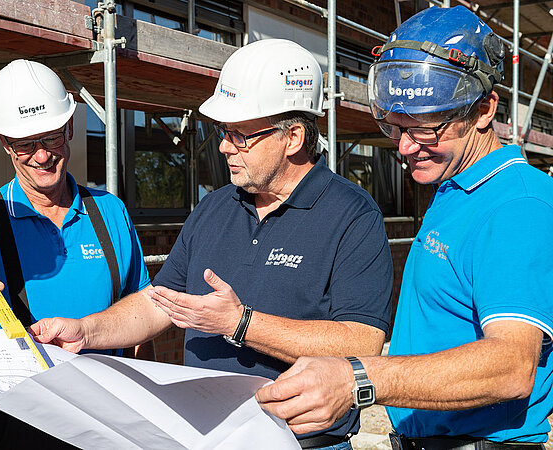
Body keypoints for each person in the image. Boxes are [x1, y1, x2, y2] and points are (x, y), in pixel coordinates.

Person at [31, 38, 393, 448]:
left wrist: (240, 323)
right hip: (205, 438)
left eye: (240, 134)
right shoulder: (216, 207)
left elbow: (362, 343)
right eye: (223, 131)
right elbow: (160, 300)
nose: (223, 146)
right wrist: (86, 330)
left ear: (292, 138)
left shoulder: (351, 215)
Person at [255, 6, 553, 447]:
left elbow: (511, 365)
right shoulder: (456, 186)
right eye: (395, 128)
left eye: (427, 128)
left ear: (485, 110)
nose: (406, 147)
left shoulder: (517, 204)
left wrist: (357, 377)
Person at [0, 59, 150, 449]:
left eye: (50, 138)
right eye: (25, 144)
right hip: (16, 429)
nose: (42, 156)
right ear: (3, 142)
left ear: (69, 128)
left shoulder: (110, 212)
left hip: (111, 424)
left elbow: (140, 322)